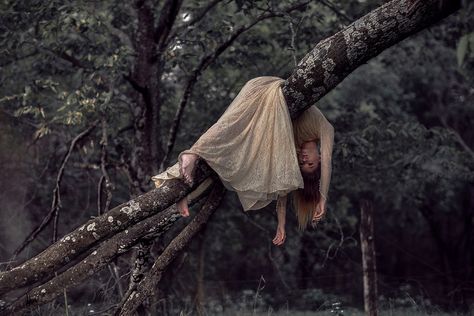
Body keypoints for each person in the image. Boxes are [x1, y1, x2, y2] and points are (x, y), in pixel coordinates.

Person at [152, 76, 334, 246]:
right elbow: (328, 161)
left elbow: (283, 186)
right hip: (266, 90)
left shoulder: (293, 147)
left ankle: (185, 188)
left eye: (302, 165)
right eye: (310, 163)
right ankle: (192, 155)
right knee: (228, 127)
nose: (304, 159)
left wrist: (281, 224)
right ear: (318, 158)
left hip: (266, 113)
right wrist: (322, 199)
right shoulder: (324, 128)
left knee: (231, 154)